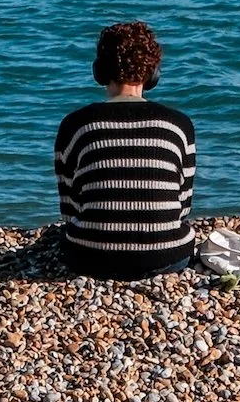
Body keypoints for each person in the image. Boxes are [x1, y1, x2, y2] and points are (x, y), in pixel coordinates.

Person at [54, 21, 196, 278]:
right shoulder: (179, 124)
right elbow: (183, 205)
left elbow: (70, 207)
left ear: (99, 71)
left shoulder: (74, 124)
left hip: (89, 256)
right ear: (153, 74)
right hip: (168, 255)